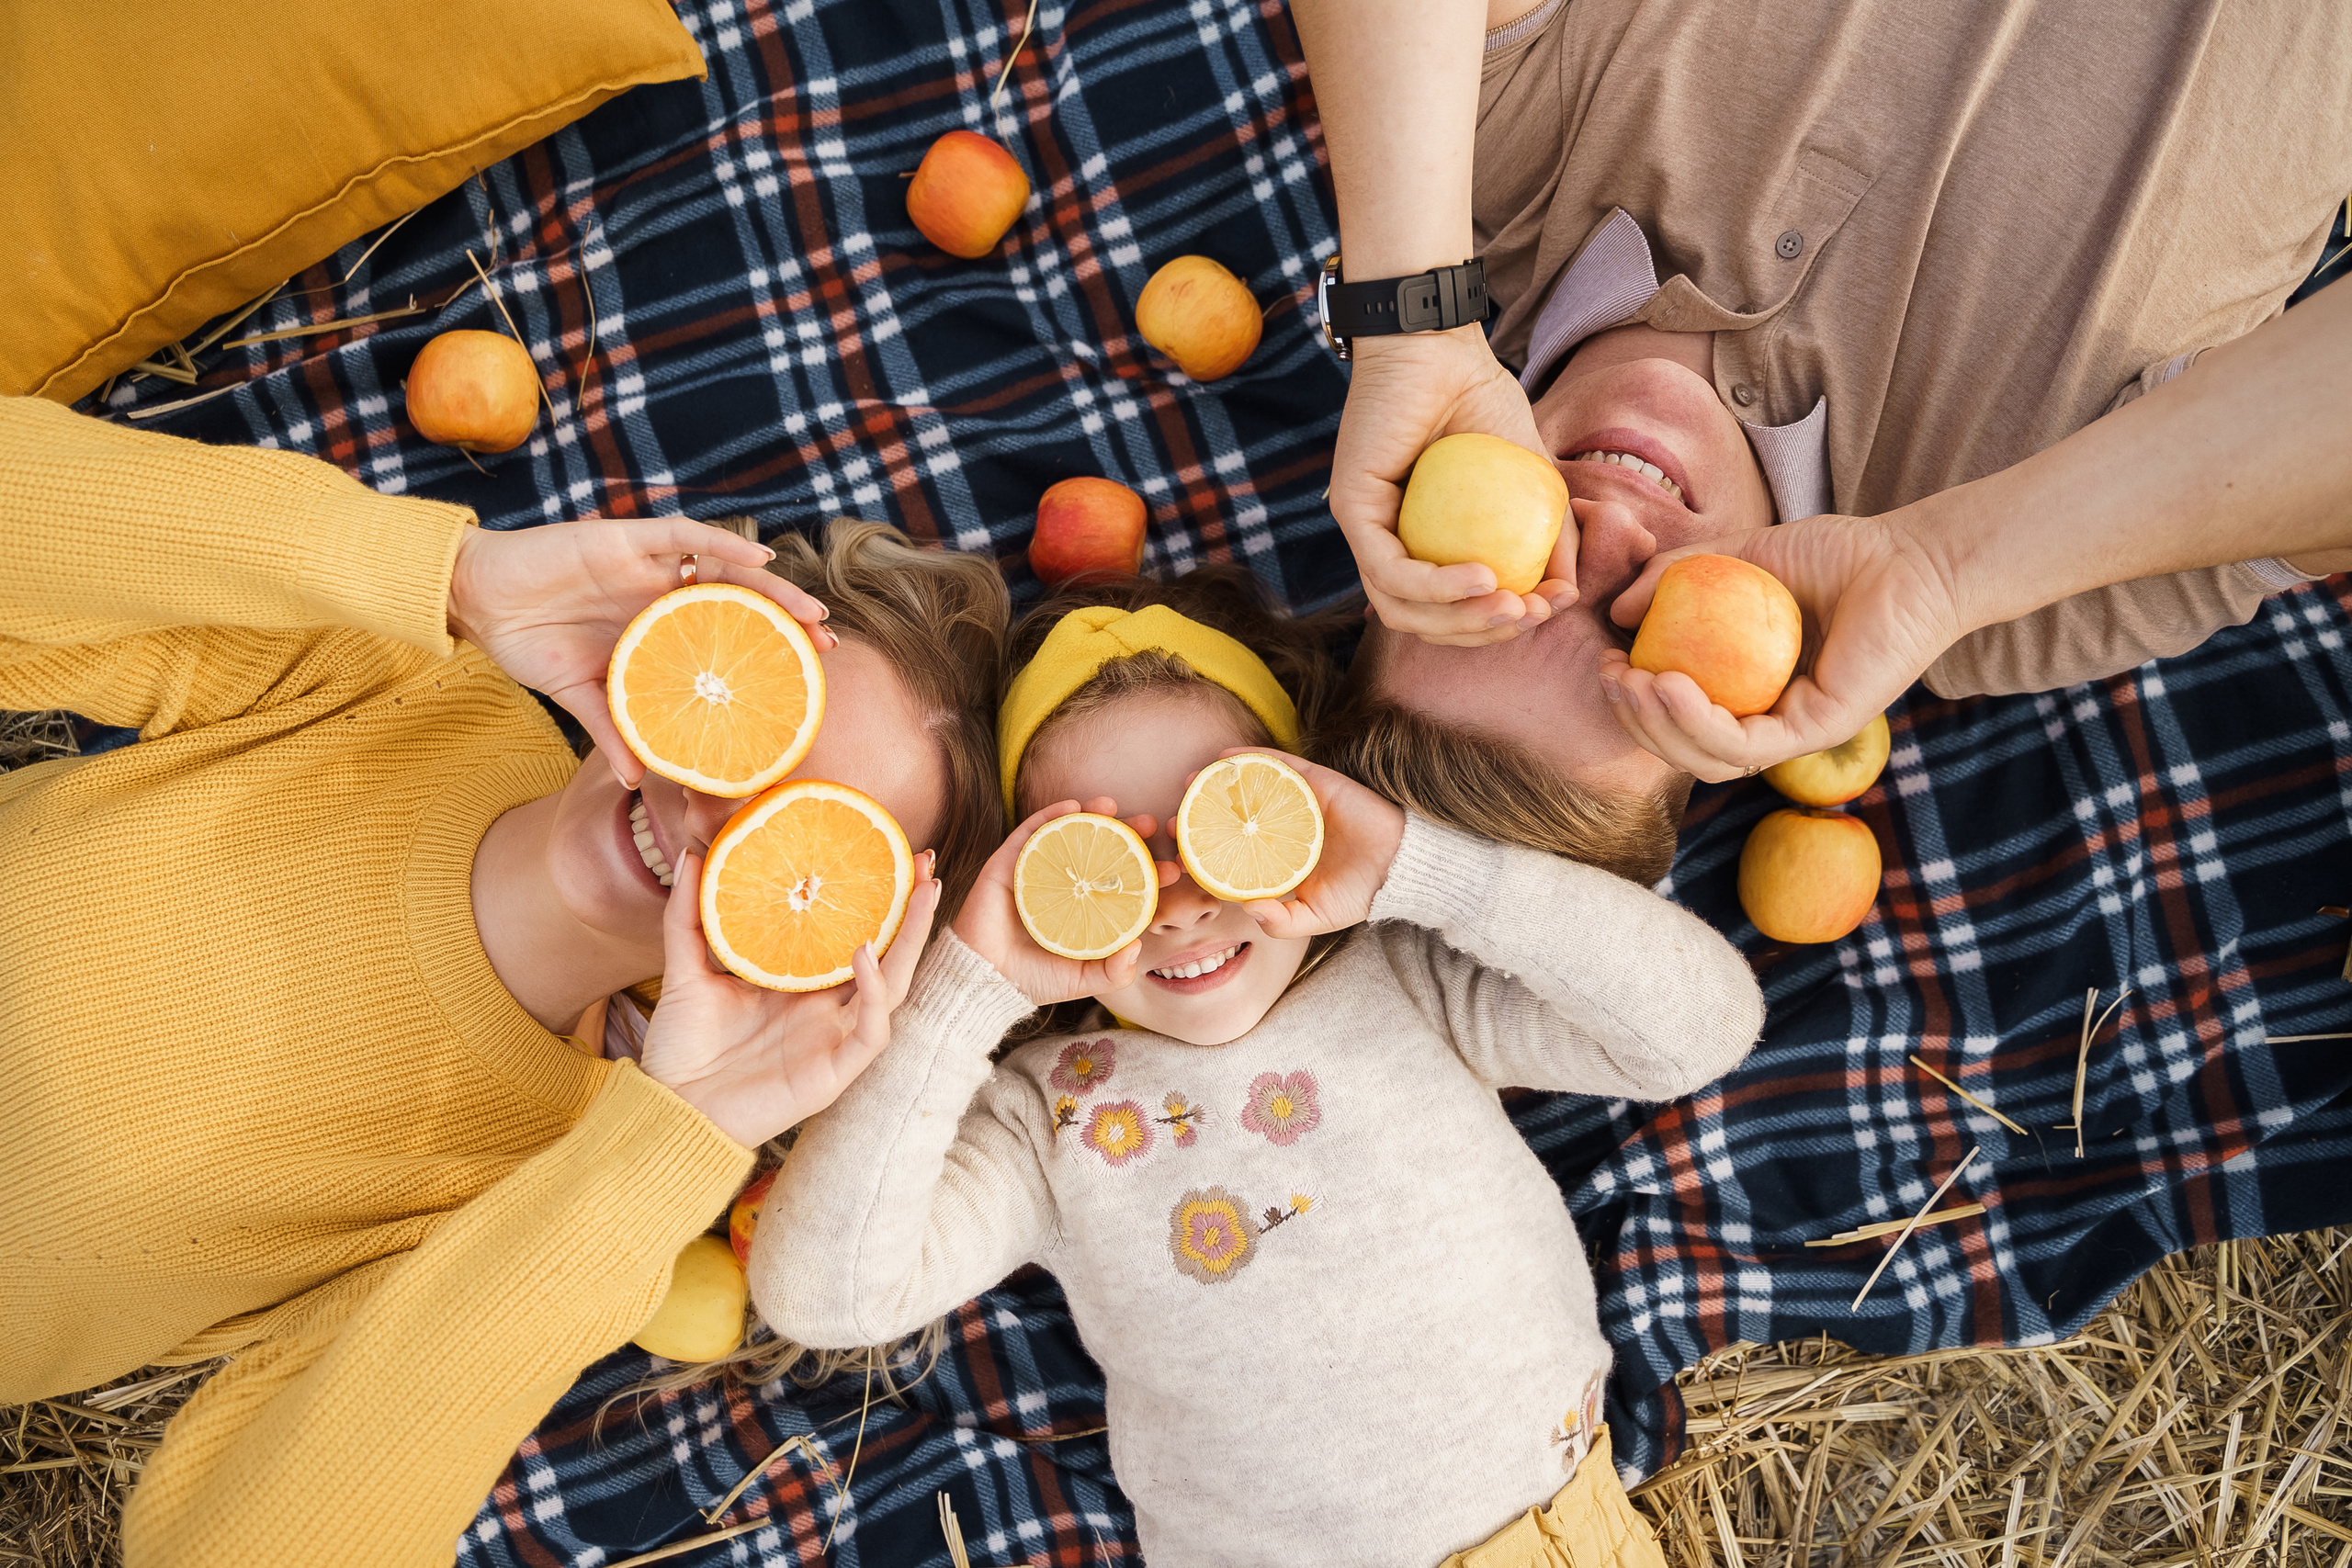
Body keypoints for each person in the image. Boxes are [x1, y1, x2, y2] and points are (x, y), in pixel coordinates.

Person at [0, 395, 1003, 1567]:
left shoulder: (560, 1195)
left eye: (803, 837)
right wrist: (455, 579)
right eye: (742, 731)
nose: (714, 813)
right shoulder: (399, 680)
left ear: (832, 949)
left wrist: (681, 1135)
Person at [746, 570, 1765, 1565]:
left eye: (1225, 826)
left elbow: (1698, 1031)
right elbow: (827, 1297)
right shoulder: (1047, 1114)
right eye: (1108, 860)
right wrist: (968, 991)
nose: (1181, 904)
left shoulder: (1408, 978)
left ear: (1307, 810)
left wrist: (1417, 865)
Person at [1294, 0, 2352, 829]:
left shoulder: (1481, 160)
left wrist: (1411, 326)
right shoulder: (2012, 603)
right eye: (1635, 626)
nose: (1602, 533)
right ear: (1754, 704)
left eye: (1506, 575)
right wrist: (1939, 569)